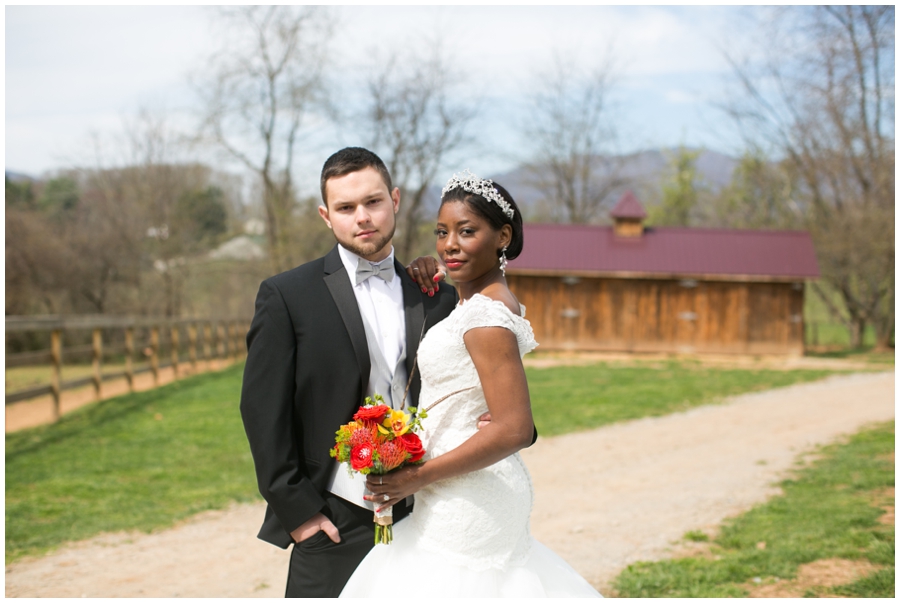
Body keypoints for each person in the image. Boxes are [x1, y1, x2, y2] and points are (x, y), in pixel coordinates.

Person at [340, 170, 602, 597]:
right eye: (442, 232)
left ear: (502, 236)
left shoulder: (484, 316)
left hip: (470, 497)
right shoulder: (475, 301)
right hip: (457, 487)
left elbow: (515, 428)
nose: (449, 244)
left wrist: (418, 476)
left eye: (467, 231)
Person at [239, 147, 462, 597]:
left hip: (428, 514)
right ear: (326, 215)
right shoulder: (287, 295)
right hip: (334, 516)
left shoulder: (434, 297)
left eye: (373, 202)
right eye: (346, 207)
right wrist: (300, 514)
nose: (362, 217)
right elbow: (263, 411)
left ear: (394, 200)